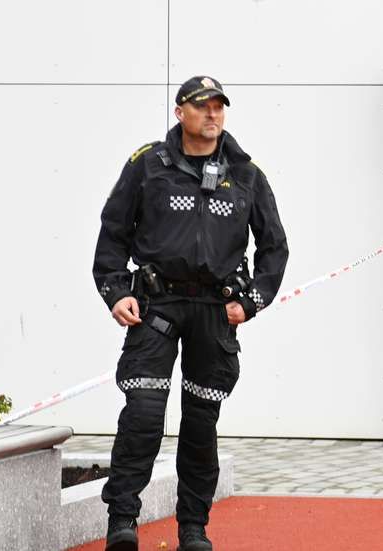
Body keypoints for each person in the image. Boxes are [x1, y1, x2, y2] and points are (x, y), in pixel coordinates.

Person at [92, 75, 288, 551]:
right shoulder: (147, 165)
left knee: (201, 424)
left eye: (219, 106)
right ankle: (122, 521)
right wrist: (115, 292)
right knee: (143, 414)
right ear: (180, 112)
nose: (213, 114)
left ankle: (193, 529)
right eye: (202, 106)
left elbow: (274, 247)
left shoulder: (247, 174)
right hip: (155, 307)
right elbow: (113, 232)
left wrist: (252, 302)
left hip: (214, 313)